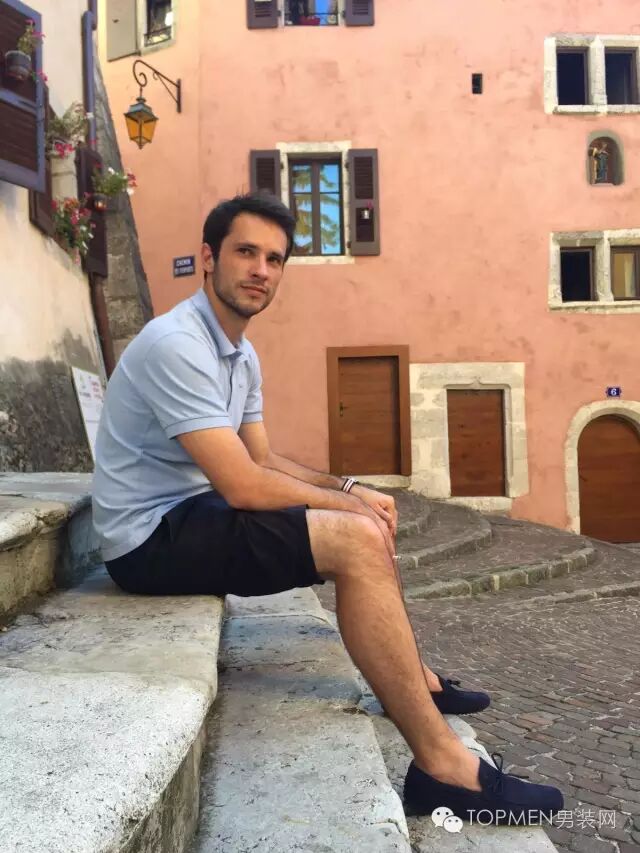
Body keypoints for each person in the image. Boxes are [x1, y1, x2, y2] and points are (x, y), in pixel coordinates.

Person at [92, 192, 563, 824]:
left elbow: (263, 457)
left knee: (362, 521)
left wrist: (349, 489)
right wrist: (349, 512)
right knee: (355, 538)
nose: (261, 270)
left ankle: (414, 678)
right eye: (246, 252)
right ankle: (444, 769)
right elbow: (245, 486)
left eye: (275, 259)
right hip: (147, 540)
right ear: (208, 258)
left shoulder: (239, 352)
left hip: (193, 513)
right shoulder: (177, 344)